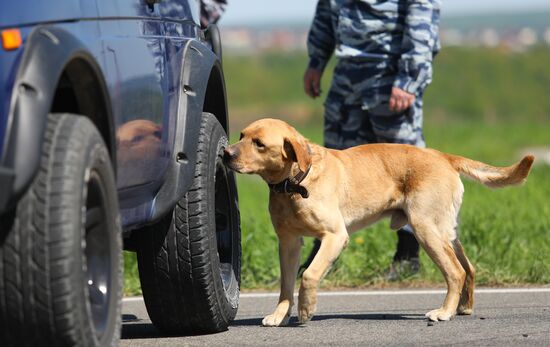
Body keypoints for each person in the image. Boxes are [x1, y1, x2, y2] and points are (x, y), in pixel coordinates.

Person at [300, 0, 441, 280]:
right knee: (331, 171)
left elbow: (422, 14)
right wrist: (317, 61)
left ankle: (408, 256)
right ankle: (324, 254)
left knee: (406, 170)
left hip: (389, 74)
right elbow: (327, 11)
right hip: (347, 76)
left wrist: (409, 78)